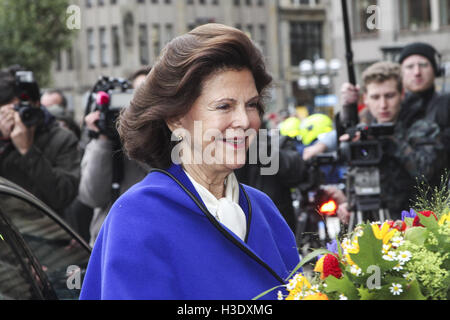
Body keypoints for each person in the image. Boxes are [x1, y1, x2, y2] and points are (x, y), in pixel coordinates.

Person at [80, 24, 300, 300]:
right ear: (175, 119)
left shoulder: (265, 210)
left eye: (252, 104)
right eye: (224, 106)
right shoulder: (137, 217)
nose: (245, 121)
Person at [334, 61, 446, 223]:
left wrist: (390, 141)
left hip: (414, 221)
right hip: (372, 219)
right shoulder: (362, 128)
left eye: (389, 96)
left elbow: (425, 172)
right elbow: (355, 172)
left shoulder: (422, 126)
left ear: (402, 95)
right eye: (375, 97)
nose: (383, 105)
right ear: (365, 98)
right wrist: (350, 204)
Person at [77, 67, 151, 248]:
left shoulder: (175, 137)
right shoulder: (105, 140)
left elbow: (169, 177)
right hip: (109, 246)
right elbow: (92, 197)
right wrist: (102, 139)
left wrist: (137, 138)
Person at [0, 66, 80, 215]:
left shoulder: (62, 139)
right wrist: (4, 140)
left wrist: (27, 151)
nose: (13, 117)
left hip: (47, 234)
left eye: (18, 109)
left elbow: (62, 195)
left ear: (37, 104)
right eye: (4, 113)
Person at [397, 42, 450, 181]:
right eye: (409, 67)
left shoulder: (445, 105)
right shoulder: (392, 107)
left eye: (423, 65)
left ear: (436, 70)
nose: (417, 72)